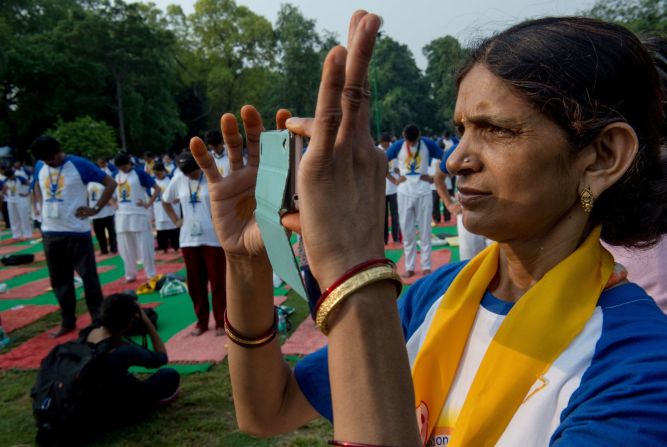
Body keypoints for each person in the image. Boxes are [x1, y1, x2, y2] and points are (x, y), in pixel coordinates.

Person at [190, 11, 667, 447]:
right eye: (460, 129)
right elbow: (266, 411)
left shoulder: (642, 368)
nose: (457, 159)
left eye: (497, 130)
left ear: (604, 156)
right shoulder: (438, 295)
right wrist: (246, 262)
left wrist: (355, 270)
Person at [30, 136, 116, 338]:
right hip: (51, 232)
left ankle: (98, 321)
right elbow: (37, 188)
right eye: (48, 161)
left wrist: (95, 209)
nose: (52, 162)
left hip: (77, 232)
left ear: (60, 150)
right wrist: (40, 211)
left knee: (89, 279)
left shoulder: (79, 164)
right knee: (60, 280)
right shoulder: (39, 167)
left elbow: (110, 183)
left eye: (54, 157)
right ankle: (68, 321)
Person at [76, 293, 179, 442]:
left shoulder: (89, 332)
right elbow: (161, 357)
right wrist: (147, 322)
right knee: (169, 375)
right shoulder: (124, 351)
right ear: (129, 322)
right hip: (115, 407)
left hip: (87, 402)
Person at [162, 151, 226, 336]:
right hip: (188, 239)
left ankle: (221, 322)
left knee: (217, 282)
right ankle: (202, 322)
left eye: (192, 171)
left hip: (213, 238)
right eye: (186, 173)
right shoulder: (178, 179)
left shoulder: (212, 177)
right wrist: (175, 220)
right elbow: (166, 201)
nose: (189, 175)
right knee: (196, 284)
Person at [386, 124, 444, 277]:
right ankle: (409, 267)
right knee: (407, 231)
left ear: (419, 136)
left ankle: (426, 266)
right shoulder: (398, 146)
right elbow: (381, 161)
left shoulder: (428, 144)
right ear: (404, 136)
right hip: (404, 191)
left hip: (424, 190)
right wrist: (394, 179)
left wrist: (434, 177)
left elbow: (445, 159)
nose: (411, 144)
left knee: (425, 230)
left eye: (414, 141)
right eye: (408, 141)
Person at [434, 144, 489, 260]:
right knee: (470, 263)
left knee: (504, 267)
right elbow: (439, 177)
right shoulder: (458, 149)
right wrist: (449, 204)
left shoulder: (503, 146)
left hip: (498, 214)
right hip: (468, 214)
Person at [113, 152, 160, 283]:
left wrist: (148, 203)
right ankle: (130, 275)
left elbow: (157, 189)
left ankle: (151, 274)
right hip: (122, 215)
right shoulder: (115, 175)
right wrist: (113, 204)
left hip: (139, 214)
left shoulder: (139, 173)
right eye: (120, 167)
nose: (123, 169)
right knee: (125, 247)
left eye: (124, 166)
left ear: (129, 163)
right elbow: (109, 190)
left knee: (145, 246)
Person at [152, 162, 180, 254]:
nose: (157, 176)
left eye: (159, 173)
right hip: (158, 210)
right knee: (161, 230)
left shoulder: (171, 179)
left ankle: (176, 247)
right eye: (155, 174)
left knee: (173, 229)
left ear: (164, 171)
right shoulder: (153, 182)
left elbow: (179, 192)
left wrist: (177, 198)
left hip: (172, 210)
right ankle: (163, 248)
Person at [379, 132, 401, 245]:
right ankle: (384, 240)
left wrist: (399, 172)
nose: (385, 146)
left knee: (395, 214)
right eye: (383, 144)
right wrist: (393, 179)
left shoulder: (394, 149)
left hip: (394, 189)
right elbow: (383, 170)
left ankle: (396, 238)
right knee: (383, 216)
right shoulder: (377, 151)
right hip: (381, 189)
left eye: (386, 144)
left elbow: (400, 166)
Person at [87, 179, 117, 255]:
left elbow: (111, 195)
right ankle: (103, 250)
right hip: (95, 212)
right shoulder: (89, 182)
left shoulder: (104, 181)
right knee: (99, 233)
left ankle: (114, 249)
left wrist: (112, 204)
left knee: (111, 232)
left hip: (107, 211)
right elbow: (87, 196)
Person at [3, 168, 32, 240]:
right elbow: (3, 190)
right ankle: (16, 234)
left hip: (20, 199)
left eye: (11, 176)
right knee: (13, 218)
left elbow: (31, 184)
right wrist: (6, 194)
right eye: (9, 177)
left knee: (24, 217)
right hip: (11, 200)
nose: (11, 178)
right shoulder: (6, 181)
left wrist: (27, 193)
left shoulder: (19, 178)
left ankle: (27, 234)